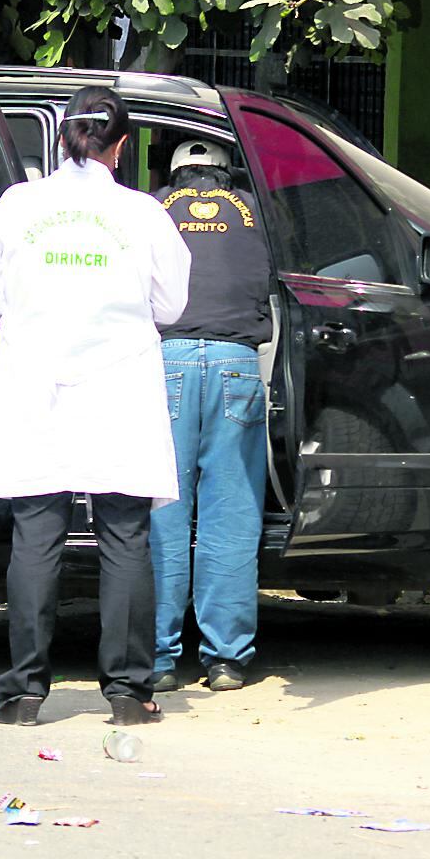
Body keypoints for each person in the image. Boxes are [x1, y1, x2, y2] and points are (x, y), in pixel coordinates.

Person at [0, 87, 191, 727]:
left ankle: (22, 693)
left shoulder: (18, 204)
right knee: (124, 535)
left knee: (37, 534)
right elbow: (172, 304)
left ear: (63, 137)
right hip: (120, 384)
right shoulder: (144, 213)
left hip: (34, 383)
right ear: (120, 145)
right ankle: (128, 692)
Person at [149, 139, 273, 692]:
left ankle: (157, 657)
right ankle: (226, 659)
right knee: (232, 513)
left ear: (174, 175)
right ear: (227, 175)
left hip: (166, 360)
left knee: (163, 510)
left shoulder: (153, 208)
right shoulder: (255, 210)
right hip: (235, 362)